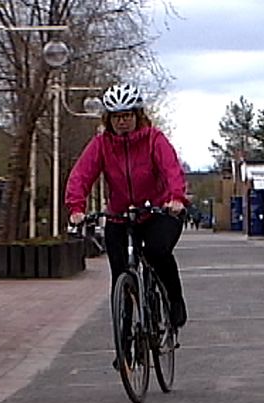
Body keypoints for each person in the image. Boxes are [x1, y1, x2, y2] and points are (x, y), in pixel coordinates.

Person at [66, 83, 189, 329]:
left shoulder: (154, 139)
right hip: (120, 215)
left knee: (157, 252)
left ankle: (175, 300)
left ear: (137, 116)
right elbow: (81, 175)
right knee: (120, 271)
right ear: (108, 119)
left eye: (127, 116)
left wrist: (176, 198)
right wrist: (76, 209)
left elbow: (171, 169)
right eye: (116, 117)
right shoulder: (102, 144)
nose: (122, 122)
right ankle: (125, 341)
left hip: (157, 211)